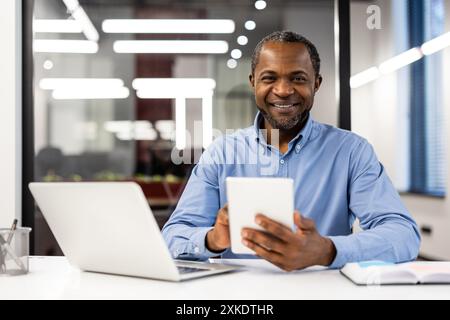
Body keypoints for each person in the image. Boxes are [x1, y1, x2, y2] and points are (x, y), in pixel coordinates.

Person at [162, 31, 420, 271]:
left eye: (297, 78)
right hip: (242, 299)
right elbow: (173, 236)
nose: (283, 90)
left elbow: (404, 235)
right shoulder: (221, 153)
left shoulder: (351, 151)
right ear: (253, 83)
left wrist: (327, 250)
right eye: (269, 78)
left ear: (316, 84)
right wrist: (213, 239)